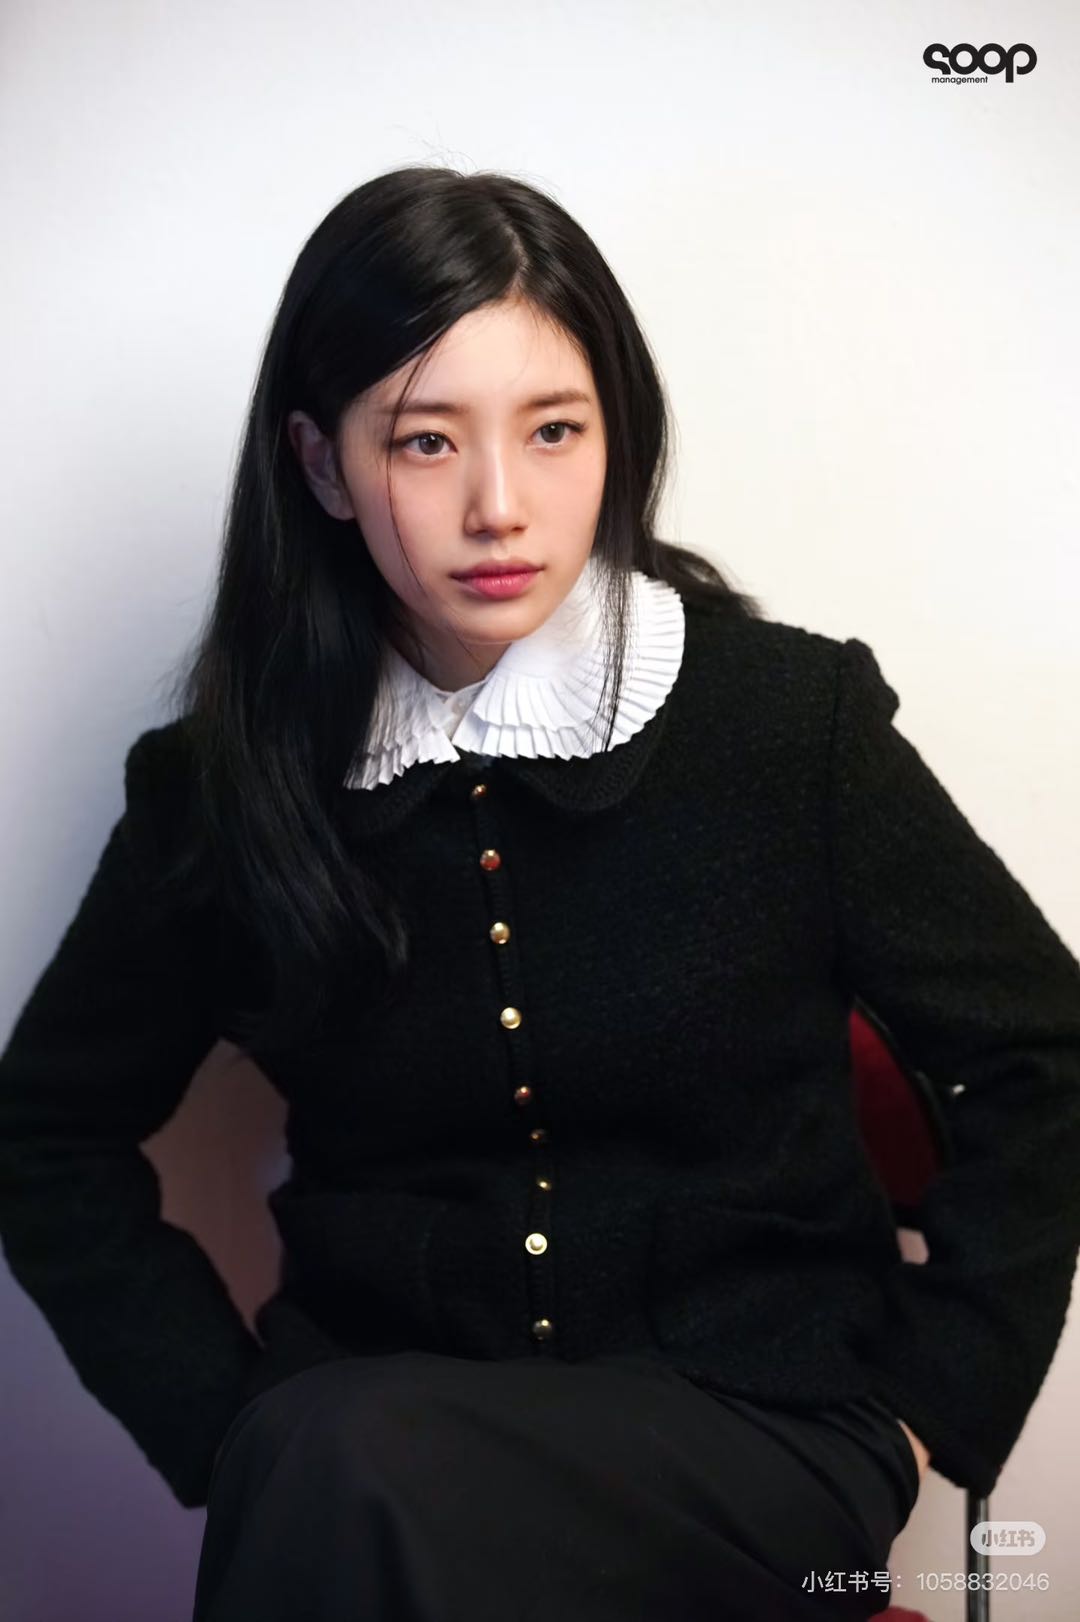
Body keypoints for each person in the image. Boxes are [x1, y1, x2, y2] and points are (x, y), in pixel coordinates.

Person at [0, 165, 1077, 1622]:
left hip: (756, 1429)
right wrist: (217, 1422)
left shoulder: (782, 721)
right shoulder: (225, 784)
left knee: (343, 1479)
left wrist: (933, 1400)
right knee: (343, 1469)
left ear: (614, 434)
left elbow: (1042, 1054)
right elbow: (44, 1132)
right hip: (364, 1440)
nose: (499, 506)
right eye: (425, 440)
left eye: (553, 429)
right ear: (321, 465)